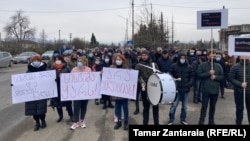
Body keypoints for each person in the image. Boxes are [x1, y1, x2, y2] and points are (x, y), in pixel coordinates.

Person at [196, 51, 224, 125]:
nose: (213, 58)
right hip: (206, 90)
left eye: (214, 56)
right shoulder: (202, 65)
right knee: (204, 107)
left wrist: (216, 77)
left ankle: (211, 120)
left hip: (215, 90)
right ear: (208, 56)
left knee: (213, 107)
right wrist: (209, 73)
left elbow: (222, 77)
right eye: (211, 56)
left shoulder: (218, 66)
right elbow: (199, 74)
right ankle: (201, 120)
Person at [167, 52, 195, 125]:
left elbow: (192, 76)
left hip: (186, 90)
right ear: (179, 58)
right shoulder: (174, 66)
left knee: (185, 107)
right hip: (176, 90)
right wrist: (173, 79)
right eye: (181, 58)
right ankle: (171, 119)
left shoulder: (189, 67)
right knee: (173, 106)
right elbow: (169, 73)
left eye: (184, 58)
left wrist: (189, 84)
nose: (183, 59)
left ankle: (183, 119)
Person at [135, 50, 160, 125]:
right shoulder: (138, 65)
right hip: (144, 88)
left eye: (145, 55)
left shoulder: (154, 64)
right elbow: (137, 76)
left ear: (148, 56)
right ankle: (145, 123)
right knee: (146, 108)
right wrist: (141, 82)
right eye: (142, 55)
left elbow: (158, 74)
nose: (144, 56)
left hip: (154, 89)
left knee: (155, 108)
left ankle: (156, 123)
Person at [25, 55, 48, 131]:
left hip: (42, 93)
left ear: (40, 61)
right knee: (33, 109)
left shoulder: (44, 70)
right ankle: (37, 123)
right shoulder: (29, 70)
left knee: (41, 109)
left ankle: (43, 121)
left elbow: (49, 80)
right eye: (34, 61)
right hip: (32, 94)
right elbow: (23, 82)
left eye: (37, 60)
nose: (36, 62)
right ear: (32, 61)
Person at [50, 55, 73, 123]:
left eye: (59, 59)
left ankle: (71, 115)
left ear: (62, 60)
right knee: (57, 104)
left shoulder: (66, 67)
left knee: (68, 103)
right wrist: (57, 77)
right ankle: (60, 116)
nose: (57, 60)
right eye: (56, 59)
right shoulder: (52, 68)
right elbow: (50, 78)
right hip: (56, 88)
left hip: (65, 89)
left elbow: (70, 77)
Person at [70, 57, 92, 129]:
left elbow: (92, 80)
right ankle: (75, 121)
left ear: (85, 62)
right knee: (76, 107)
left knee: (83, 106)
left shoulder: (88, 70)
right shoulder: (74, 70)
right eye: (78, 61)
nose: (79, 63)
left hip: (85, 92)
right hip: (76, 92)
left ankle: (82, 120)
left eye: (81, 61)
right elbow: (70, 79)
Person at [228, 56, 250, 125]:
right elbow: (231, 78)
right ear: (240, 56)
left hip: (249, 92)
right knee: (239, 110)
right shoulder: (235, 67)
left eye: (246, 55)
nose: (245, 57)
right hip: (239, 92)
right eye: (242, 55)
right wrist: (240, 84)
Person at [111, 54, 130, 130]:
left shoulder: (126, 68)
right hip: (116, 91)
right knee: (117, 107)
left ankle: (126, 121)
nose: (118, 61)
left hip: (124, 92)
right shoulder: (112, 68)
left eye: (120, 59)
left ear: (123, 60)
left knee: (125, 107)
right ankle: (119, 121)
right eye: (117, 59)